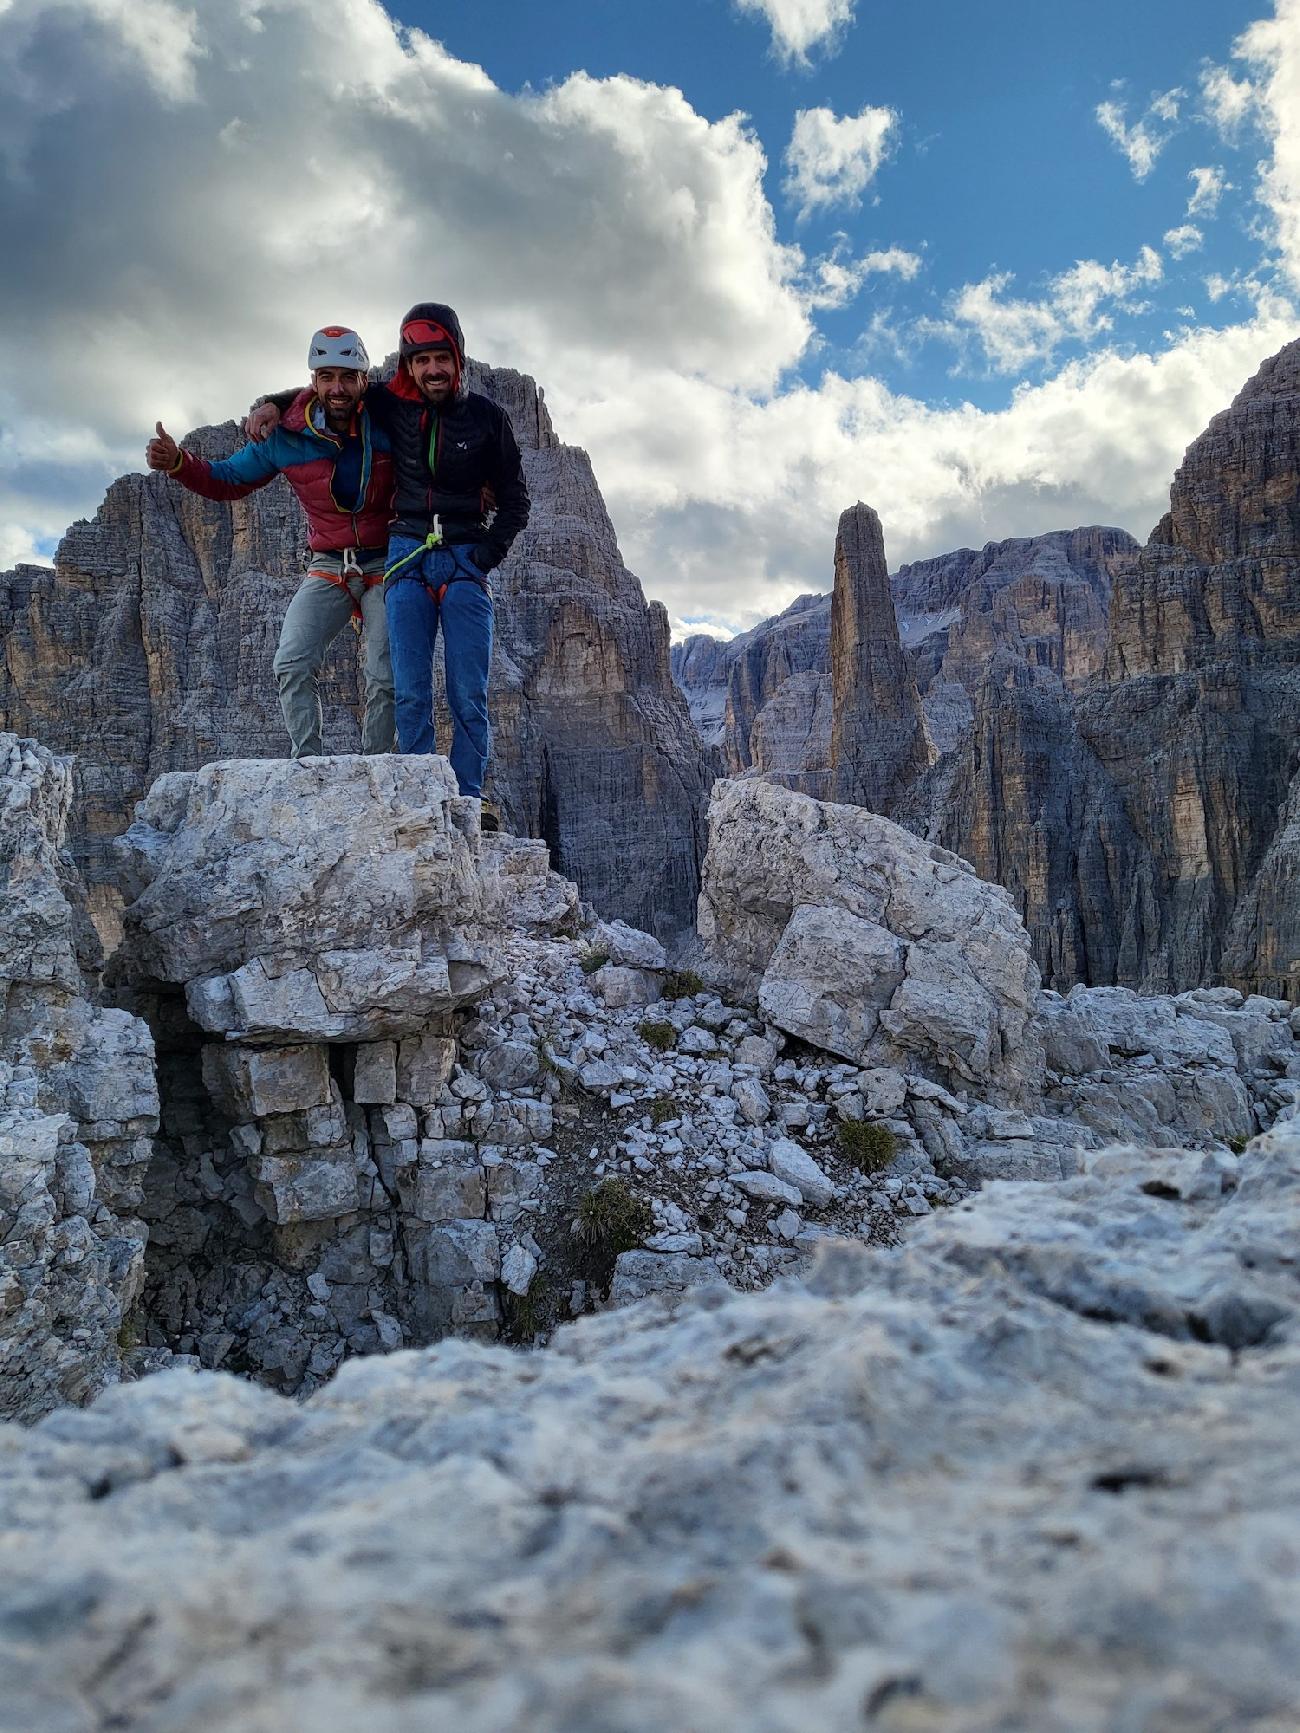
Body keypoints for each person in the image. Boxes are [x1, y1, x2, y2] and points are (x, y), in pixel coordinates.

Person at [248, 303, 529, 827]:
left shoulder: (489, 418)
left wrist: (486, 556)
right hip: (405, 556)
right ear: (408, 366)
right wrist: (270, 402)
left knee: (469, 691)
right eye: (420, 361)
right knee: (410, 688)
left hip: (465, 559)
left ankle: (467, 798)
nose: (432, 371)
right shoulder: (390, 405)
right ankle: (422, 794)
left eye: (441, 358)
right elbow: (334, 392)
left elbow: (516, 498)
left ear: (458, 358)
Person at [146, 326, 396, 759]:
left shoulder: (392, 420)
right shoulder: (286, 435)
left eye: (348, 377)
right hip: (329, 566)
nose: (337, 388)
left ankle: (378, 769)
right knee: (292, 663)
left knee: (385, 675)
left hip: (387, 564)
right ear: (314, 380)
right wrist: (179, 464)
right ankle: (309, 764)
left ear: (364, 379)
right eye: (326, 376)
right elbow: (227, 479)